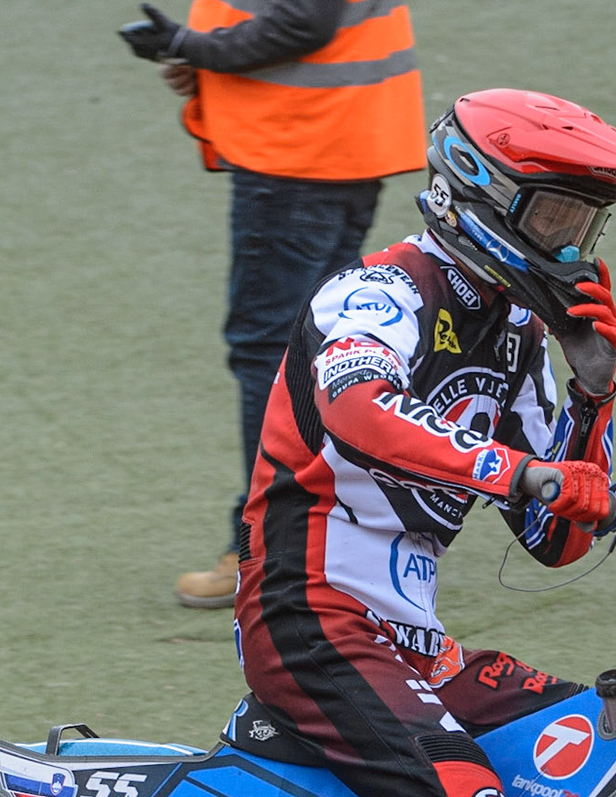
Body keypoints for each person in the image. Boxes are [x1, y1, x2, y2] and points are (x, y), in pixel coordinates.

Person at [113, 90, 616, 797]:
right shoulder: (379, 293)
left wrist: (591, 394)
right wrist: (530, 473)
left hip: (409, 640)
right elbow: (359, 411)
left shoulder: (512, 337)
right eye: (558, 218)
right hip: (306, 609)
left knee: (611, 775)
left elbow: (554, 539)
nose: (573, 247)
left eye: (588, 227)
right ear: (484, 193)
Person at [118, 1, 426, 608]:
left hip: (298, 152)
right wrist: (207, 54)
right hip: (339, 140)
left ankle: (266, 547)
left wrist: (193, 45)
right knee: (325, 348)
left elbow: (299, 22)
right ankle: (340, 532)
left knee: (275, 352)